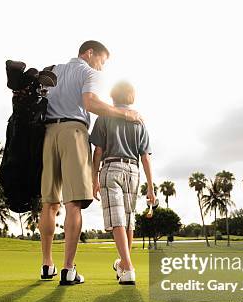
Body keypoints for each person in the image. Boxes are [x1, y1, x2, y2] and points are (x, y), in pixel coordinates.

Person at [38, 41, 143, 285]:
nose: (102, 68)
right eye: (102, 61)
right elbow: (90, 103)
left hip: (47, 135)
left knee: (49, 203)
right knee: (73, 202)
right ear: (89, 53)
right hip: (73, 132)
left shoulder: (53, 70)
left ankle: (47, 266)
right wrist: (124, 113)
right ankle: (68, 270)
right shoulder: (88, 71)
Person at [90, 81, 155, 285]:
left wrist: (94, 177)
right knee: (128, 220)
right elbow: (145, 157)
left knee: (118, 219)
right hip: (133, 170)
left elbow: (98, 151)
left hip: (111, 168)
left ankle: (128, 267)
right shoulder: (139, 120)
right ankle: (123, 265)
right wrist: (151, 187)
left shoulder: (104, 116)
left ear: (113, 96)